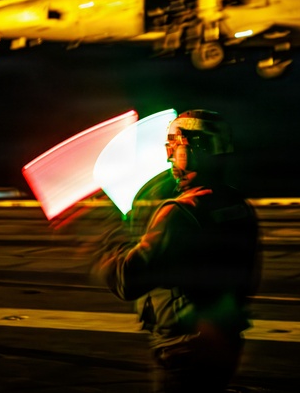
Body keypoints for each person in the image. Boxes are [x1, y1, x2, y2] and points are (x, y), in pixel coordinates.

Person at [92, 109, 262, 392]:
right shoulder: (237, 205)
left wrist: (110, 233)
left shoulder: (181, 212)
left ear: (194, 148)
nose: (169, 155)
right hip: (226, 341)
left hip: (184, 349)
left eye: (173, 145)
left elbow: (126, 281)